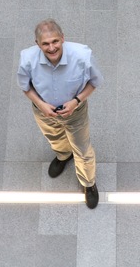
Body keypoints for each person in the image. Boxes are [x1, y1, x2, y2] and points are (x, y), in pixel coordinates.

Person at [17, 19, 103, 209]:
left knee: (82, 148)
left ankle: (88, 184)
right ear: (37, 43)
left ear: (63, 38)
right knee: (54, 138)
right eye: (45, 43)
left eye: (55, 41)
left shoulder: (83, 56)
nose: (51, 47)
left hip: (75, 112)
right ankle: (63, 156)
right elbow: (25, 87)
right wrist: (41, 104)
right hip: (44, 112)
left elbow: (95, 82)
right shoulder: (27, 59)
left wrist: (76, 101)